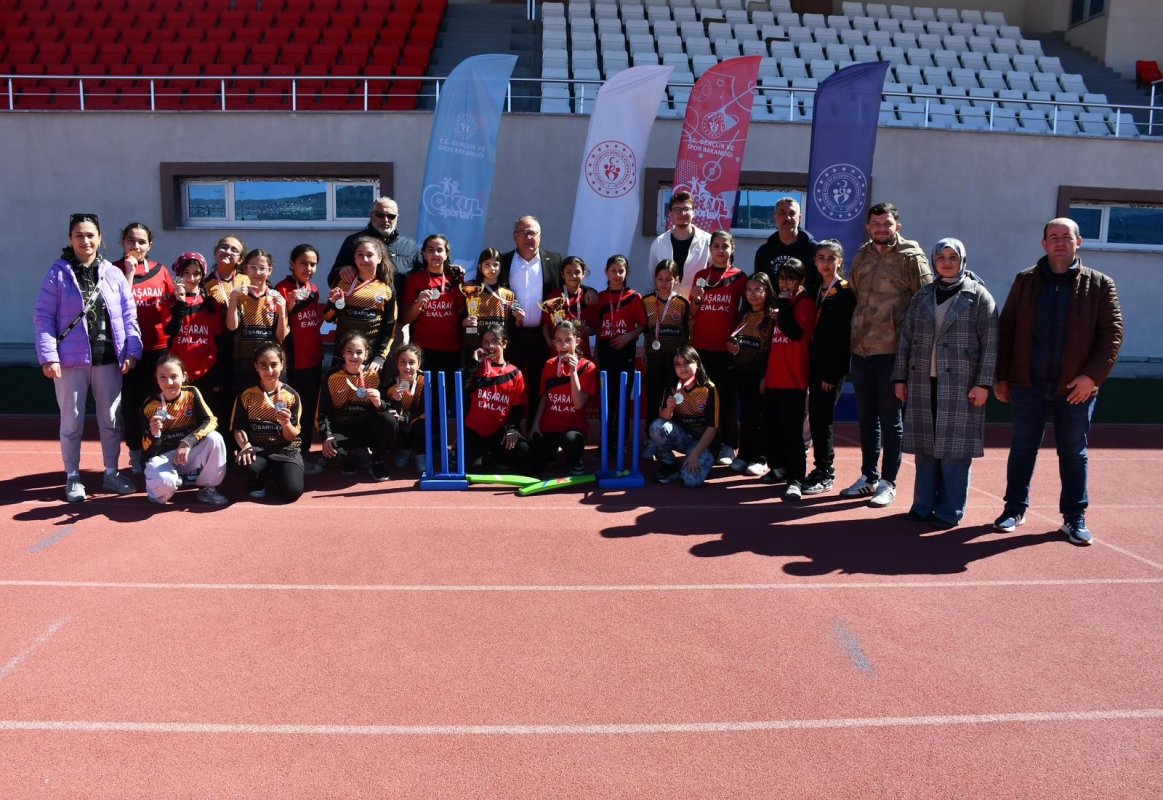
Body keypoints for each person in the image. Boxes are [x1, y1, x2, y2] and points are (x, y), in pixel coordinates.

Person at [992, 218, 1123, 546]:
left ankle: (1074, 518)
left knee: (1073, 452)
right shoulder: (1025, 281)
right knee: (1023, 448)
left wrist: (1091, 377)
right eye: (1054, 237)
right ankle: (1014, 509)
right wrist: (1002, 377)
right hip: (1028, 384)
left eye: (1067, 237)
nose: (1060, 242)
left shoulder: (1099, 285)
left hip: (1074, 388)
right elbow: (1006, 330)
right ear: (1044, 244)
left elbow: (1112, 334)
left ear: (1079, 242)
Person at [35, 212, 142, 503]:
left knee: (110, 420)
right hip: (70, 361)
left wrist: (132, 350)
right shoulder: (57, 273)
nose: (85, 240)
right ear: (70, 239)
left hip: (108, 358)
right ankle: (72, 476)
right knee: (72, 422)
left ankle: (111, 473)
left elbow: (128, 314)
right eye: (79, 235)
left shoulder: (113, 273)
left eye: (90, 235)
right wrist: (48, 356)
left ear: (100, 238)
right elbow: (44, 317)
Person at [893, 238, 998, 527]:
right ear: (933, 260)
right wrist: (900, 378)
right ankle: (923, 505)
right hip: (922, 383)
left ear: (963, 260)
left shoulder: (978, 297)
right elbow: (905, 340)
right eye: (941, 257)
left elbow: (991, 344)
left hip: (963, 386)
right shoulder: (922, 296)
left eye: (953, 257)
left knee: (955, 451)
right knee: (926, 449)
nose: (947, 262)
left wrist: (984, 384)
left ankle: (950, 510)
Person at [840, 202, 932, 508]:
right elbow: (854, 293)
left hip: (893, 352)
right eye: (876, 224)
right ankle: (868, 476)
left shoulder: (911, 258)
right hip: (862, 349)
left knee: (891, 420)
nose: (881, 229)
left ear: (897, 226)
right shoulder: (862, 255)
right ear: (868, 227)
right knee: (866, 418)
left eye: (887, 224)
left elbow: (926, 303)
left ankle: (888, 482)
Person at [115, 221, 174, 476]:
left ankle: (158, 449)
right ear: (123, 243)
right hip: (129, 350)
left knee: (159, 402)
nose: (136, 246)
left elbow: (172, 306)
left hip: (159, 348)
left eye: (141, 241)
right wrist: (128, 272)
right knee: (131, 404)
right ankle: (135, 452)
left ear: (150, 245)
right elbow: (117, 305)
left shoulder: (161, 271)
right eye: (131, 240)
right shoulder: (113, 270)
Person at [689, 230, 747, 465]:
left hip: (726, 351)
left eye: (725, 246)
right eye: (716, 246)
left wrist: (737, 340)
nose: (720, 251)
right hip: (701, 348)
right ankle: (710, 444)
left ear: (732, 248)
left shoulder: (741, 277)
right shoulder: (701, 276)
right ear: (710, 249)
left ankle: (729, 445)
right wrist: (695, 299)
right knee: (706, 399)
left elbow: (748, 313)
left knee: (727, 398)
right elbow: (693, 313)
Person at [803, 240, 856, 495]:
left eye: (830, 258)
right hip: (813, 363)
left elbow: (843, 337)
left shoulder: (845, 292)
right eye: (821, 258)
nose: (825, 263)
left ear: (839, 262)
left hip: (830, 369)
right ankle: (819, 468)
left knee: (823, 420)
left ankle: (826, 470)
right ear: (815, 261)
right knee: (815, 416)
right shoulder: (814, 289)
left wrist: (831, 373)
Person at [760, 259, 817, 499]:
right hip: (774, 378)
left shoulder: (803, 304)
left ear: (801, 281)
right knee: (772, 429)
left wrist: (782, 308)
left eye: (790, 278)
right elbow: (772, 345)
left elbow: (795, 333)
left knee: (793, 433)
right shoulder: (781, 305)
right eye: (782, 278)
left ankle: (796, 479)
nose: (784, 283)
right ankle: (779, 468)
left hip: (793, 380)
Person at [140, 353, 229, 506]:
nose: (169, 382)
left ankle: (208, 489)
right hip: (163, 457)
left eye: (174, 376)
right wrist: (154, 435)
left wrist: (187, 442)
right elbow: (145, 449)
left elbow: (211, 420)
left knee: (215, 439)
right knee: (163, 491)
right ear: (156, 378)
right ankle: (161, 487)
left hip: (187, 453)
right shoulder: (149, 406)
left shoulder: (191, 393)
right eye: (162, 377)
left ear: (184, 376)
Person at [497, 215, 563, 411]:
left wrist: (591, 292)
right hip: (511, 335)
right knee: (509, 383)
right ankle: (510, 431)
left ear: (540, 236)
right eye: (523, 233)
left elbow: (571, 282)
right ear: (514, 236)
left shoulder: (554, 261)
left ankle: (535, 432)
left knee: (539, 385)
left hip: (542, 336)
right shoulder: (503, 261)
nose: (528, 237)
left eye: (532, 232)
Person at [275, 244, 327, 475]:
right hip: (292, 364)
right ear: (292, 264)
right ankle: (288, 455)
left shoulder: (313, 289)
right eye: (303, 263)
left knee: (307, 412)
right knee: (290, 412)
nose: (308, 268)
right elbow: (279, 327)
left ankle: (303, 454)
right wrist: (290, 305)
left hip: (313, 360)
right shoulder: (282, 289)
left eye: (313, 264)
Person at [317, 332, 396, 482]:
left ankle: (377, 460)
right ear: (342, 353)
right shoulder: (330, 376)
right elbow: (323, 412)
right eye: (349, 351)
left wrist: (380, 403)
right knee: (335, 452)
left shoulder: (376, 375)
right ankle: (351, 455)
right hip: (343, 428)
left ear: (367, 355)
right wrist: (326, 435)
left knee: (389, 420)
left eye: (359, 352)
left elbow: (389, 408)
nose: (354, 356)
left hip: (369, 428)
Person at [231, 341, 304, 502]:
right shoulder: (246, 394)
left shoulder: (292, 395)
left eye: (274, 365)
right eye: (263, 365)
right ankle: (261, 477)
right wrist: (246, 446)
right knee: (245, 466)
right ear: (256, 367)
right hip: (257, 448)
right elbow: (238, 428)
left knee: (291, 492)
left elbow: (291, 436)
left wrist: (286, 424)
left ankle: (276, 472)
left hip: (284, 449)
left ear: (282, 365)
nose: (269, 371)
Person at [586, 255, 645, 450]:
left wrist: (628, 336)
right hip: (605, 351)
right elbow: (596, 327)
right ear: (606, 272)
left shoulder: (634, 297)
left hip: (625, 350)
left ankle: (621, 442)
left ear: (626, 272)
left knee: (622, 398)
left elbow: (643, 325)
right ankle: (606, 442)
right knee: (607, 398)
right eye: (613, 271)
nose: (617, 275)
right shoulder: (601, 298)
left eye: (621, 271)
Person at [530, 320, 598, 475]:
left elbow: (579, 404)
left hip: (573, 428)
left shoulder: (588, 367)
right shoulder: (549, 364)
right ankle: (551, 454)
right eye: (559, 341)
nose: (564, 345)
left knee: (572, 441)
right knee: (532, 464)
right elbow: (544, 398)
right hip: (550, 426)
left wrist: (573, 372)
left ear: (577, 341)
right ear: (554, 342)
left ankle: (575, 461)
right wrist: (535, 425)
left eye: (568, 340)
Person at [462, 323, 530, 472]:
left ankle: (495, 457)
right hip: (475, 431)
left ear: (504, 344)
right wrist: (474, 362)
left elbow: (517, 408)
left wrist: (512, 430)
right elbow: (462, 389)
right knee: (476, 469)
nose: (490, 346)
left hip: (499, 431)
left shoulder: (515, 373)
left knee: (524, 452)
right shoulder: (475, 369)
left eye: (494, 341)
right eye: (485, 342)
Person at [649, 345, 719, 488]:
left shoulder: (708, 389)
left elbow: (712, 428)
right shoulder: (672, 387)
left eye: (687, 362)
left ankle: (697, 460)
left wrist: (695, 454)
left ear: (697, 364)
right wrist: (669, 408)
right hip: (682, 438)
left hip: (703, 442)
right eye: (678, 364)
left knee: (690, 480)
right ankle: (669, 464)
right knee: (656, 426)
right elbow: (663, 418)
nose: (682, 368)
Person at [727, 272, 775, 476]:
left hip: (760, 376)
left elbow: (774, 351)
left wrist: (767, 377)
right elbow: (742, 343)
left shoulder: (772, 317)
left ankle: (760, 458)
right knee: (745, 416)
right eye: (749, 290)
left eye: (758, 290)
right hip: (742, 374)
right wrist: (734, 349)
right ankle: (744, 455)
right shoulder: (744, 315)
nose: (753, 294)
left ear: (767, 291)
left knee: (759, 418)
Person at [328, 196, 420, 302]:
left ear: (397, 218)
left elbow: (422, 278)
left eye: (391, 216)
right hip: (361, 313)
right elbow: (332, 280)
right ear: (371, 216)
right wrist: (341, 271)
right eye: (380, 215)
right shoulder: (353, 241)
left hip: (400, 313)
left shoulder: (410, 246)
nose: (386, 220)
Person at [325, 236, 397, 371]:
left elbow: (390, 327)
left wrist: (380, 357)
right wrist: (335, 304)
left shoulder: (387, 287)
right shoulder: (342, 282)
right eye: (360, 255)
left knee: (369, 392)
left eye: (369, 255)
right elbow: (328, 318)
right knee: (339, 390)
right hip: (343, 354)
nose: (364, 259)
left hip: (370, 357)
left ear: (379, 258)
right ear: (354, 258)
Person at [402, 234, 465, 382]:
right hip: (422, 350)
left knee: (447, 394)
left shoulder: (456, 279)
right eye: (430, 250)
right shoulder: (414, 280)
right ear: (423, 254)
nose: (435, 254)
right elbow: (406, 318)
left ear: (446, 254)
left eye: (439, 250)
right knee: (427, 397)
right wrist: (418, 304)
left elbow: (462, 311)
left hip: (451, 349)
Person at [225, 248, 288, 392]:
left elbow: (281, 337)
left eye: (262, 268)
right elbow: (231, 326)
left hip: (269, 365)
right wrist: (234, 298)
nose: (258, 272)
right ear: (246, 269)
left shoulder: (276, 297)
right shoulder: (239, 296)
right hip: (244, 362)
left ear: (269, 270)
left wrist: (283, 310)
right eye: (253, 267)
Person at [202, 235, 247, 427]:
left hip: (245, 347)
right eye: (224, 247)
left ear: (241, 259)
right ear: (215, 252)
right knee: (220, 403)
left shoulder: (247, 279)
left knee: (243, 400)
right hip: (219, 350)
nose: (228, 252)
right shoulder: (205, 284)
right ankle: (224, 451)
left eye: (234, 250)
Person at [165, 252, 224, 401]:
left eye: (196, 273)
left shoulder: (210, 303)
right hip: (177, 371)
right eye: (186, 273)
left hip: (207, 370)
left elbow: (219, 340)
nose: (191, 279)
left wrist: (218, 374)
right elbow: (171, 331)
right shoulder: (170, 301)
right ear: (178, 274)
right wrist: (180, 303)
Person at [641, 259, 690, 432]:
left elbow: (686, 333)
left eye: (668, 279)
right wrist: (646, 351)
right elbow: (645, 329)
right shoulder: (646, 301)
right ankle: (651, 440)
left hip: (674, 361)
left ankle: (668, 437)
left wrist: (683, 359)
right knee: (653, 399)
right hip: (654, 359)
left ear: (676, 280)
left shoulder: (683, 303)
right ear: (655, 279)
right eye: (660, 279)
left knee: (672, 400)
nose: (664, 283)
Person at [461, 247, 524, 364]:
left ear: (501, 267)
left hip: (499, 348)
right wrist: (464, 322)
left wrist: (519, 320)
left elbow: (513, 327)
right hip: (475, 344)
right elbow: (460, 316)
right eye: (487, 264)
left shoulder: (508, 295)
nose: (492, 268)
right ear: (480, 267)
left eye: (496, 264)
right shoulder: (471, 291)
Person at [647, 190, 711, 298]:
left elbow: (713, 276)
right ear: (670, 213)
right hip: (666, 309)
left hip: (698, 308)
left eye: (686, 209)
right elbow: (652, 280)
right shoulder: (659, 243)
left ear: (694, 212)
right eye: (677, 209)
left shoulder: (708, 241)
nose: (682, 213)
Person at [753, 197, 821, 295]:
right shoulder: (764, 251)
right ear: (775, 217)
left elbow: (820, 284)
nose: (788, 218)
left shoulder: (814, 250)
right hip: (772, 308)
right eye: (782, 213)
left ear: (800, 218)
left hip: (804, 308)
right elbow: (759, 284)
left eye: (792, 213)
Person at [540, 254, 598, 363]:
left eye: (577, 272)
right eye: (569, 272)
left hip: (582, 351)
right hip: (558, 351)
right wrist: (549, 342)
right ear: (562, 274)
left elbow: (595, 328)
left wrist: (588, 330)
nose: (573, 276)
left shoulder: (589, 298)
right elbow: (545, 324)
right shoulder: (554, 297)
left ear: (583, 274)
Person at [384, 344, 428, 471]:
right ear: (397, 365)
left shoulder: (425, 382)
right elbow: (386, 408)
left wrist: (404, 418)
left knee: (422, 423)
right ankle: (405, 450)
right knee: (390, 421)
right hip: (400, 422)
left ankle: (421, 453)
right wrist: (395, 400)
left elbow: (424, 410)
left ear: (418, 365)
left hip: (417, 419)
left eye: (411, 362)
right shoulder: (390, 384)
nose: (407, 367)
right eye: (402, 362)